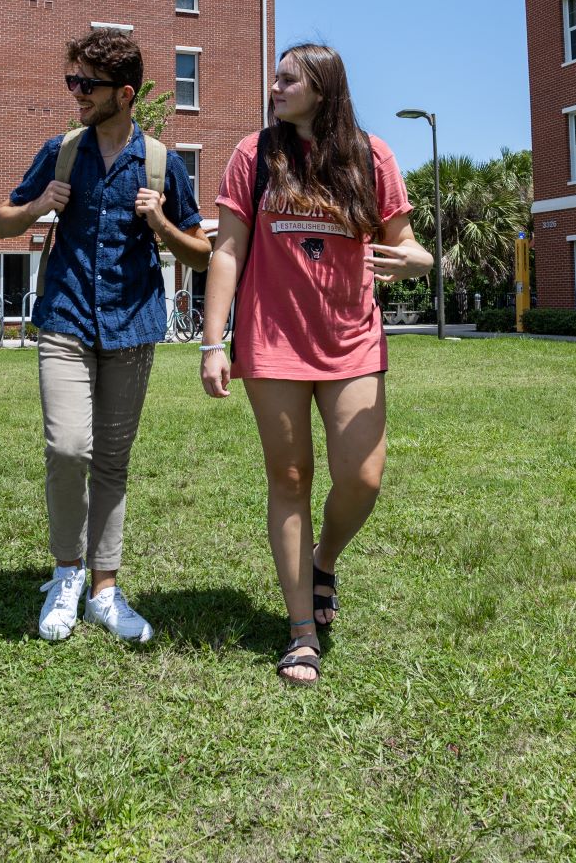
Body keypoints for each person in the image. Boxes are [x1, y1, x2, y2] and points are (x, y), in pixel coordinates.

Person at [198, 43, 432, 685]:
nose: (274, 86)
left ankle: (324, 559)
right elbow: (226, 251)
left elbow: (405, 243)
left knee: (362, 478)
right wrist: (213, 342)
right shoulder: (254, 156)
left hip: (352, 338)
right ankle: (302, 631)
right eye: (274, 76)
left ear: (323, 89)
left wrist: (417, 260)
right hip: (273, 340)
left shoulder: (370, 154)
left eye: (288, 79)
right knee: (291, 476)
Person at [0, 29, 209, 645]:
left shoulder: (163, 162)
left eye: (85, 85)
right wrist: (40, 206)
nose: (75, 94)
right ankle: (67, 572)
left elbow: (200, 254)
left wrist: (159, 218)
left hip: (132, 324)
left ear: (125, 92)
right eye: (71, 82)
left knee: (113, 461)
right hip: (64, 315)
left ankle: (105, 590)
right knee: (67, 449)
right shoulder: (61, 152)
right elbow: (5, 221)